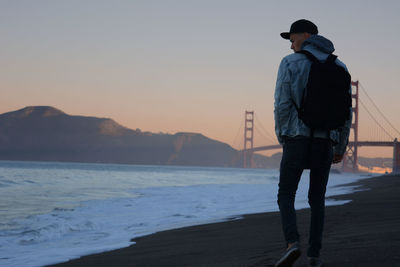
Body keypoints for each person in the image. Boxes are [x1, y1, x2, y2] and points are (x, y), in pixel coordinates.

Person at [273, 19, 352, 267]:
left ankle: (292, 244)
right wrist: (340, 146)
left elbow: (282, 105)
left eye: (293, 38)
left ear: (306, 35)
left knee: (286, 193)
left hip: (296, 139)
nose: (291, 45)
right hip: (325, 142)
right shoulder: (339, 65)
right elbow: (347, 112)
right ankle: (314, 256)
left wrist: (283, 137)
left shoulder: (290, 63)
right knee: (317, 198)